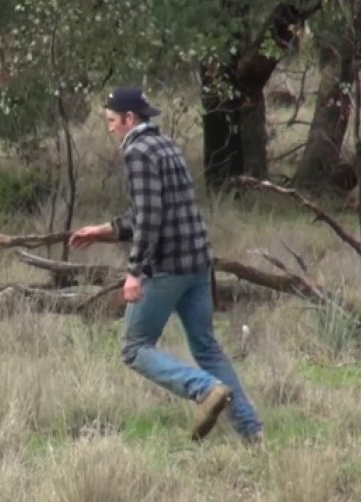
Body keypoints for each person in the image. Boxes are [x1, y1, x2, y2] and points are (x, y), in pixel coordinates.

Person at [69, 86, 264, 445]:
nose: (110, 128)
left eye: (112, 121)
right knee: (207, 347)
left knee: (134, 347)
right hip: (198, 264)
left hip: (167, 268)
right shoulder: (165, 145)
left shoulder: (137, 153)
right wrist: (104, 230)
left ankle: (204, 390)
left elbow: (151, 218)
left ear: (130, 119)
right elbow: (153, 211)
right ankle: (252, 432)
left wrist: (134, 271)